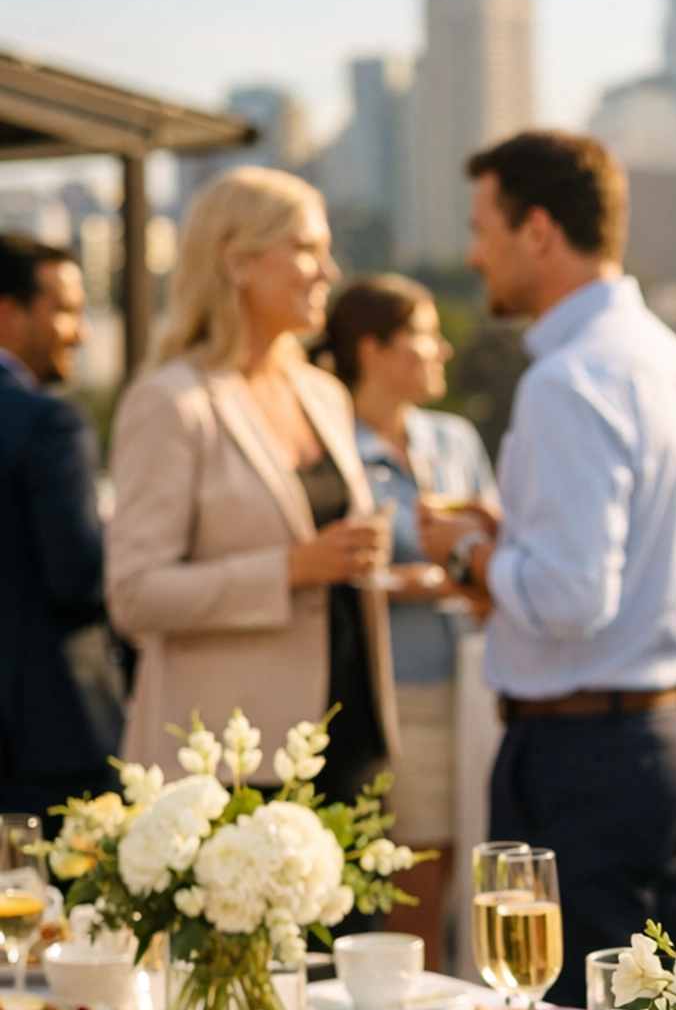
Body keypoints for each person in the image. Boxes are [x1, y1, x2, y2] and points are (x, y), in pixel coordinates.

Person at [416, 130, 676, 1007]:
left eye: (483, 227)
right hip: (666, 739)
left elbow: (570, 596)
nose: (473, 253)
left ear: (539, 230)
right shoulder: (674, 361)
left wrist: (470, 552)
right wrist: (511, 540)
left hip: (585, 755)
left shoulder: (570, 379)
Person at [107, 169, 397, 803]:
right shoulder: (171, 403)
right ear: (235, 261)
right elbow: (133, 595)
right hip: (230, 769)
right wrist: (289, 569)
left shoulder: (324, 394)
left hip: (350, 741)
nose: (328, 270)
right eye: (304, 249)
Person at [320, 275, 498, 968]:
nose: (443, 349)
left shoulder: (453, 438)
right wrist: (443, 575)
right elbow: (342, 571)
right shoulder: (333, 450)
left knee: (475, 874)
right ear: (372, 349)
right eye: (424, 333)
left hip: (476, 685)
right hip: (401, 690)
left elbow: (492, 534)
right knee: (417, 877)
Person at [0, 234, 122, 823]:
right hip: (45, 742)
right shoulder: (49, 424)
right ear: (8, 312)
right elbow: (78, 579)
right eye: (67, 310)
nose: (83, 331)